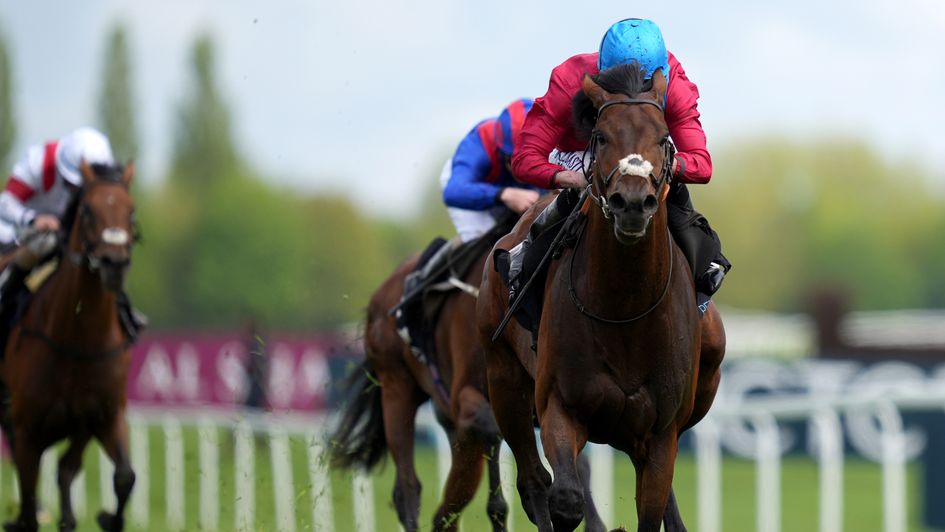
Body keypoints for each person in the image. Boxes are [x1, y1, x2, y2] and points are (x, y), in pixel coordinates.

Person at [510, 18, 730, 311]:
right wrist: (567, 178)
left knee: (672, 195)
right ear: (602, 72)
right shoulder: (569, 80)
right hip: (583, 155)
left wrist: (664, 166)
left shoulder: (673, 83)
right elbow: (525, 160)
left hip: (648, 155)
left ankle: (705, 273)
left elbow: (702, 164)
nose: (636, 93)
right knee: (571, 202)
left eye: (646, 85)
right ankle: (524, 268)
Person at [0, 127, 146, 352]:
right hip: (20, 232)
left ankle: (123, 311)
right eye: (72, 185)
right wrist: (34, 219)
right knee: (43, 244)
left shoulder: (100, 176)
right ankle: (5, 297)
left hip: (64, 231)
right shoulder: (38, 162)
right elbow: (5, 203)